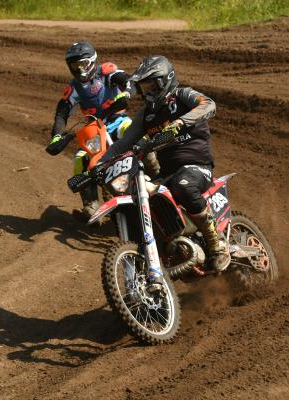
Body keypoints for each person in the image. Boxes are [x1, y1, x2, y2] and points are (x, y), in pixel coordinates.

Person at [100, 55, 231, 278]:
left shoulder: (182, 95)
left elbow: (209, 104)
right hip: (168, 173)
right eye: (144, 87)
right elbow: (123, 143)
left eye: (152, 85)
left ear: (166, 80)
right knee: (141, 198)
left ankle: (216, 243)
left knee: (183, 185)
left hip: (197, 165)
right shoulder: (147, 115)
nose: (149, 91)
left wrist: (180, 122)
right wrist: (98, 166)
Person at [45, 41, 134, 218]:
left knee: (131, 131)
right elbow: (62, 113)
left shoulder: (106, 71)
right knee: (80, 159)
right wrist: (56, 136)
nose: (80, 70)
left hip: (118, 120)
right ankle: (91, 206)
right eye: (75, 66)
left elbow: (127, 79)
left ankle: (155, 169)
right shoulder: (74, 88)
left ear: (92, 61)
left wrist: (127, 92)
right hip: (95, 129)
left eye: (83, 64)